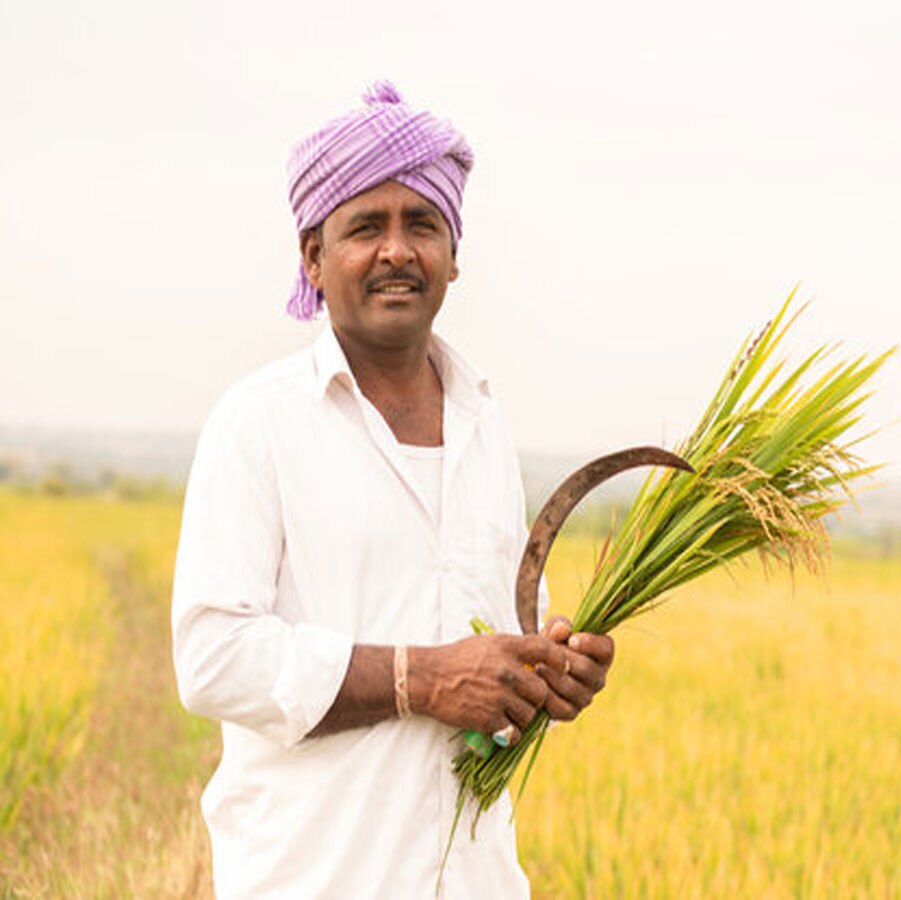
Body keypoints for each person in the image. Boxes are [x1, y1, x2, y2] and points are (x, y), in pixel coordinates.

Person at [172, 82, 615, 899]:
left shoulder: (486, 423)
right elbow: (211, 658)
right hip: (312, 879)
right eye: (364, 227)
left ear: (454, 253)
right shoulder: (258, 423)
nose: (397, 250)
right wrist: (423, 678)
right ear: (312, 257)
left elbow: (501, 639)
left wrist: (554, 669)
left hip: (475, 878)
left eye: (422, 225)